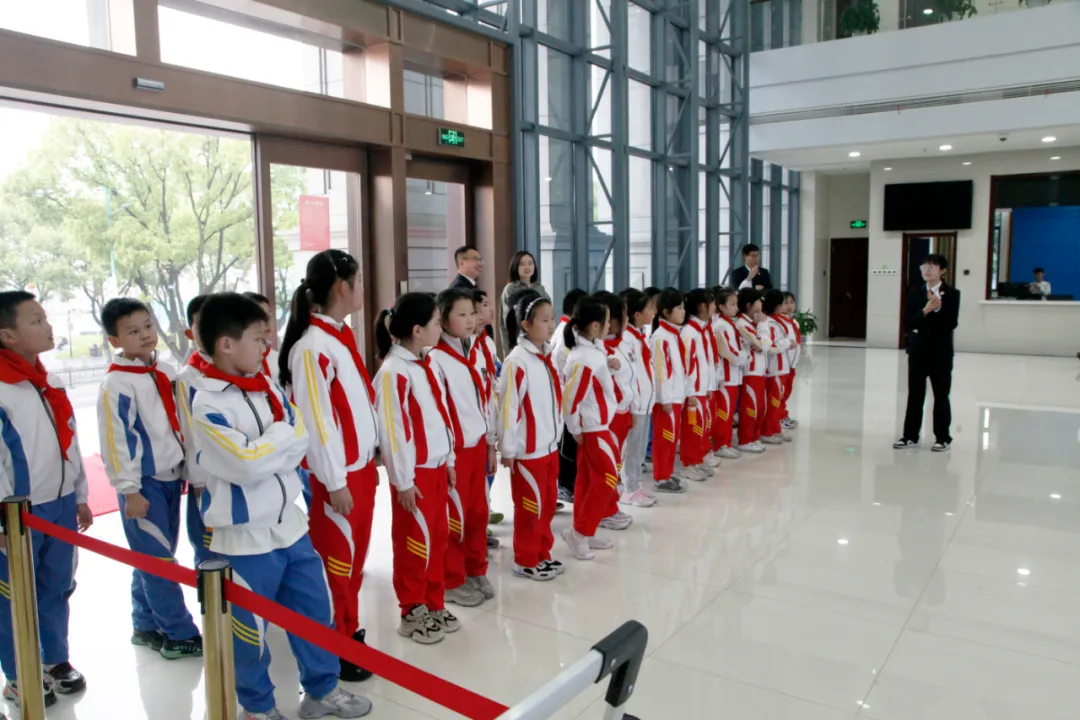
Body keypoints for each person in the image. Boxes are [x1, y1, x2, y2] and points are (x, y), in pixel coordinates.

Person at [188, 292, 372, 720]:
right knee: (248, 633)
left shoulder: (265, 385)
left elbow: (299, 432)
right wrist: (278, 441)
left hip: (291, 525)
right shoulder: (207, 403)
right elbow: (244, 464)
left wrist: (269, 445)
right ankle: (258, 708)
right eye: (257, 338)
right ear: (226, 344)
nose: (266, 346)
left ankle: (322, 691)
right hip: (243, 538)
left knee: (314, 612)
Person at [279, 249, 378, 683]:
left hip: (360, 469)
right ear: (342, 286)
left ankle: (348, 631)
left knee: (354, 561)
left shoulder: (338, 337)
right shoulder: (312, 348)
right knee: (337, 564)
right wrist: (335, 481)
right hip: (339, 476)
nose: (362, 287)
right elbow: (317, 424)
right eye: (359, 280)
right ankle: (335, 645)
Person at [97, 298, 203, 660]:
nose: (144, 335)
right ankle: (178, 633)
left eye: (147, 326)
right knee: (159, 563)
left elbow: (183, 422)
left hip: (172, 479)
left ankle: (144, 624)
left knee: (154, 556)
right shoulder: (116, 384)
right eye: (133, 331)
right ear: (115, 340)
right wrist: (129, 490)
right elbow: (116, 441)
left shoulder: (166, 371)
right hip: (144, 485)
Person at [0, 291, 91, 705]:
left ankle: (54, 658)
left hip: (60, 501)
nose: (48, 326)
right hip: (17, 513)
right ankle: (19, 673)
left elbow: (71, 440)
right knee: (13, 595)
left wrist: (80, 494)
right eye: (35, 321)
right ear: (8, 335)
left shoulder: (49, 381)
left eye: (45, 317)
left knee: (57, 586)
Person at [373, 293, 459, 645]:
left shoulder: (428, 363)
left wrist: (448, 460)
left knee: (437, 539)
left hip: (436, 469)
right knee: (414, 543)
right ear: (417, 329)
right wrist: (403, 481)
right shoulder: (393, 372)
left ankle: (433, 601)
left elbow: (442, 414)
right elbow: (393, 434)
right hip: (415, 475)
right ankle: (412, 609)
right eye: (437, 322)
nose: (442, 328)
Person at [428, 288, 496, 608]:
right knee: (455, 517)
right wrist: (449, 458)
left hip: (478, 445)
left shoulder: (477, 350)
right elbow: (440, 413)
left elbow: (486, 400)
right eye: (462, 314)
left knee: (478, 514)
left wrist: (491, 443)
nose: (470, 320)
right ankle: (452, 579)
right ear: (443, 319)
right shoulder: (436, 358)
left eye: (473, 313)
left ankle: (475, 568)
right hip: (456, 451)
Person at [499, 290, 564, 581]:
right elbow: (509, 408)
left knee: (547, 505)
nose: (551, 325)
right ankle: (525, 558)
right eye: (544, 320)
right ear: (526, 325)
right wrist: (508, 449)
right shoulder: (517, 361)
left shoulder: (545, 357)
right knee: (530, 508)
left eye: (552, 319)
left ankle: (542, 553)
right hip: (528, 452)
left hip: (548, 447)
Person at [561, 295, 621, 561]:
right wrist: (576, 428)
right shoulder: (584, 358)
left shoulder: (594, 350)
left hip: (598, 426)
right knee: (607, 479)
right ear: (595, 325)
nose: (610, 326)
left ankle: (585, 530)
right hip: (593, 429)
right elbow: (570, 400)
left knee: (587, 481)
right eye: (607, 322)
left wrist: (610, 364)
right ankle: (579, 533)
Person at [895, 253, 960, 452]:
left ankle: (942, 437)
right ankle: (910, 436)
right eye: (924, 266)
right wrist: (925, 311)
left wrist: (938, 309)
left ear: (942, 270)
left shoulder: (952, 294)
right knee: (915, 395)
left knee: (941, 395)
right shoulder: (915, 292)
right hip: (918, 351)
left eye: (932, 266)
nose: (927, 270)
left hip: (941, 353)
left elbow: (951, 323)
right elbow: (908, 322)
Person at [177, 294, 218, 568]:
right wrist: (199, 482)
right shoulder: (188, 377)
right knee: (209, 551)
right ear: (190, 333)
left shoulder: (237, 366)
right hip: (206, 479)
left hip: (235, 474)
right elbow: (190, 434)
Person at [595, 292, 636, 526]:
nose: (627, 319)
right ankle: (604, 509)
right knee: (607, 467)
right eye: (624, 315)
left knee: (615, 464)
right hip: (609, 417)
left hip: (622, 413)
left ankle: (611, 505)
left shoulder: (619, 344)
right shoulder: (600, 350)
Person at [617, 289, 657, 507]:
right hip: (636, 403)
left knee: (639, 448)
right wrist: (634, 402)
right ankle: (629, 488)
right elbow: (630, 375)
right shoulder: (627, 339)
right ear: (637, 314)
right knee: (631, 448)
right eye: (649, 308)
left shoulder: (639, 336)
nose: (653, 312)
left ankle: (636, 484)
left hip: (645, 401)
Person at [650, 288, 691, 492]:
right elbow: (661, 372)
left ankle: (667, 472)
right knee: (664, 438)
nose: (684, 312)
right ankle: (661, 477)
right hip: (666, 399)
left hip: (676, 396)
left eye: (684, 307)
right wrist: (664, 398)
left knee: (672, 437)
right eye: (679, 308)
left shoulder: (674, 335)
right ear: (666, 312)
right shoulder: (661, 338)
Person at [554, 288, 588, 503]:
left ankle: (570, 483)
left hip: (571, 398)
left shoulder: (572, 332)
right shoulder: (564, 334)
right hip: (566, 399)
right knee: (567, 446)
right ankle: (565, 485)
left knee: (571, 445)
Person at [678, 289, 716, 481]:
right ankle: (689, 463)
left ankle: (697, 458)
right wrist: (689, 392)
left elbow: (706, 361)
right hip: (693, 392)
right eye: (712, 304)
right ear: (703, 306)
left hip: (702, 389)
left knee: (702, 426)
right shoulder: (690, 332)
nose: (714, 308)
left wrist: (709, 386)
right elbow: (686, 364)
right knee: (692, 428)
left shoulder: (703, 330)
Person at [711, 287, 743, 459]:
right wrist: (744, 358)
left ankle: (727, 442)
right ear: (722, 307)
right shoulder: (720, 326)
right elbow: (727, 351)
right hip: (725, 376)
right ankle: (720, 444)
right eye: (732, 304)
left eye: (736, 304)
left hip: (734, 375)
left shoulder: (729, 324)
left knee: (729, 412)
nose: (736, 307)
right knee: (724, 412)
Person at [758, 290, 793, 445]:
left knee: (776, 403)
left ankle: (775, 428)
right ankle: (767, 432)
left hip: (781, 369)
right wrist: (787, 342)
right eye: (784, 303)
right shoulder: (769, 323)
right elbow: (770, 347)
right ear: (778, 306)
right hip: (774, 370)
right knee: (772, 403)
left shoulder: (777, 322)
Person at [735, 288, 767, 454]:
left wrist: (762, 343)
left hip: (759, 371)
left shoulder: (752, 324)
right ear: (749, 305)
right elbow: (762, 344)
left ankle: (754, 437)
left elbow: (764, 345)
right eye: (758, 301)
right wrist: (762, 326)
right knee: (750, 407)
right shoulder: (742, 324)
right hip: (750, 372)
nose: (761, 304)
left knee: (760, 407)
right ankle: (745, 439)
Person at [499, 251, 549, 355]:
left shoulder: (540, 288)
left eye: (530, 263)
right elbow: (507, 322)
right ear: (515, 267)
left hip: (539, 338)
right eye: (522, 264)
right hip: (519, 340)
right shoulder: (510, 289)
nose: (527, 267)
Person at [243, 292, 279, 384]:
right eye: (260, 318)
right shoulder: (242, 362)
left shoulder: (278, 358)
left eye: (269, 316)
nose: (267, 323)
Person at [779, 292, 801, 431]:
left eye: (791, 302)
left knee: (787, 391)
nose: (789, 306)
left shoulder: (793, 322)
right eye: (785, 303)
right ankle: (779, 417)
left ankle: (783, 414)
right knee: (780, 393)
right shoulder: (778, 322)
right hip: (782, 365)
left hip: (791, 365)